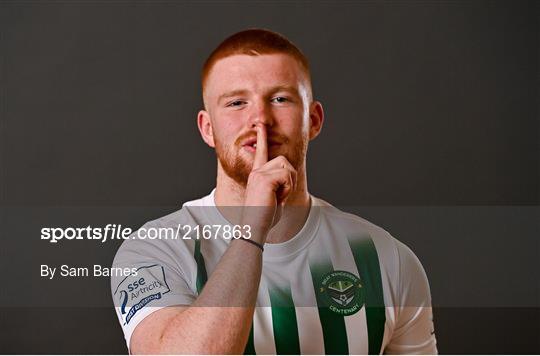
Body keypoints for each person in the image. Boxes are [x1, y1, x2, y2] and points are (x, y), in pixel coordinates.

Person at [111, 28, 438, 354]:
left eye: (280, 99)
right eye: (237, 103)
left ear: (313, 120)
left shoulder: (386, 259)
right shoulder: (153, 251)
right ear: (207, 129)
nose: (260, 120)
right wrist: (253, 229)